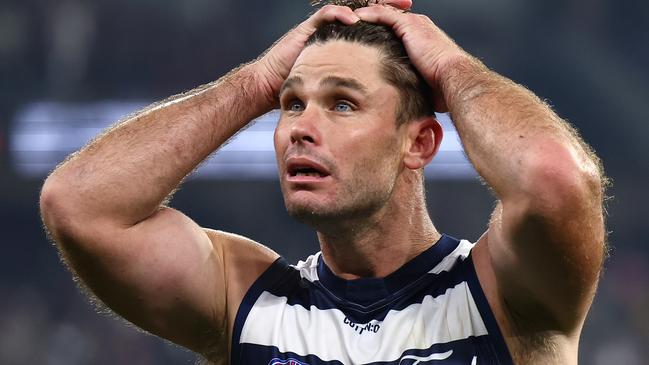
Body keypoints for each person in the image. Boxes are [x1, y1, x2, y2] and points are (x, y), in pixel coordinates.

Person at [39, 0, 607, 364]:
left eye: (341, 104)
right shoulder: (245, 301)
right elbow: (79, 203)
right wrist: (254, 83)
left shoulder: (504, 295)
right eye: (290, 105)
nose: (300, 129)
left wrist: (454, 71)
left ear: (419, 142)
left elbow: (552, 176)